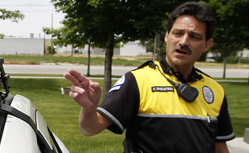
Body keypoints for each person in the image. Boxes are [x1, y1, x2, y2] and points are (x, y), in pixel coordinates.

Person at [64, 2, 235, 153]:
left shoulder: (215, 91)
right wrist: (89, 109)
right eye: (178, 33)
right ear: (167, 35)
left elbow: (220, 148)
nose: (183, 41)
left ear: (207, 45)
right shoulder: (137, 81)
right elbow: (90, 129)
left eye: (194, 36)